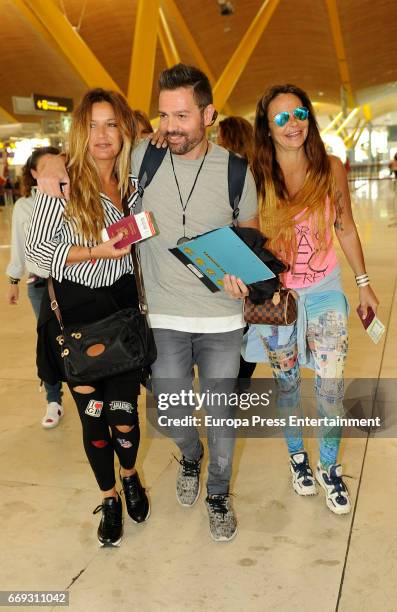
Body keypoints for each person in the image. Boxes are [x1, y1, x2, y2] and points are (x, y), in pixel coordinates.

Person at [34, 64, 259, 542]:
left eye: (181, 116)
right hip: (160, 317)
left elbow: (251, 241)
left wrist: (249, 280)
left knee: (221, 415)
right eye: (163, 116)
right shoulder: (142, 157)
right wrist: (51, 165)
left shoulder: (237, 171)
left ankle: (217, 492)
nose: (170, 127)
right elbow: (89, 152)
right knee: (169, 415)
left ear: (209, 114)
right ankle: (190, 457)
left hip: (220, 318)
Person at [226, 84, 379, 515]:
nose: (292, 124)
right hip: (277, 300)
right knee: (288, 384)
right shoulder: (255, 175)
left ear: (309, 118)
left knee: (330, 388)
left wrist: (363, 282)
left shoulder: (330, 168)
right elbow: (249, 238)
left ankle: (330, 468)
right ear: (267, 128)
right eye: (280, 118)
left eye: (298, 114)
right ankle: (299, 460)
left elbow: (345, 227)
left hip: (326, 291)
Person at [25, 88, 150, 547]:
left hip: (121, 314)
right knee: (93, 419)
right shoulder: (64, 181)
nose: (102, 134)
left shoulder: (133, 183)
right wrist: (93, 251)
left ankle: (131, 474)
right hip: (76, 321)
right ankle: (110, 496)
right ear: (81, 130)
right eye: (94, 125)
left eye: (111, 124)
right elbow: (38, 254)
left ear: (124, 131)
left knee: (125, 416)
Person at [6, 147, 64, 428]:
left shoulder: (73, 199)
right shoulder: (24, 207)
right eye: (46, 169)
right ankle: (54, 400)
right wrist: (13, 280)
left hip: (74, 281)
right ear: (33, 174)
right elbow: (19, 246)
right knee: (48, 344)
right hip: (40, 285)